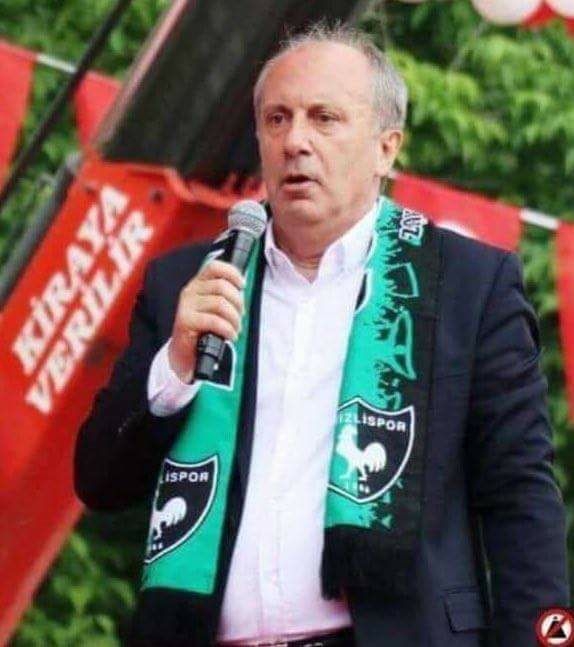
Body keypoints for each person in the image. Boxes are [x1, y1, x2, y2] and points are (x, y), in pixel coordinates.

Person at [74, 23, 569, 647]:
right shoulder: (193, 284)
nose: (295, 142)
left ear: (386, 148)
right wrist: (173, 368)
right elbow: (100, 482)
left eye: (324, 118)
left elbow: (520, 496)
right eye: (277, 119)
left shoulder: (467, 285)